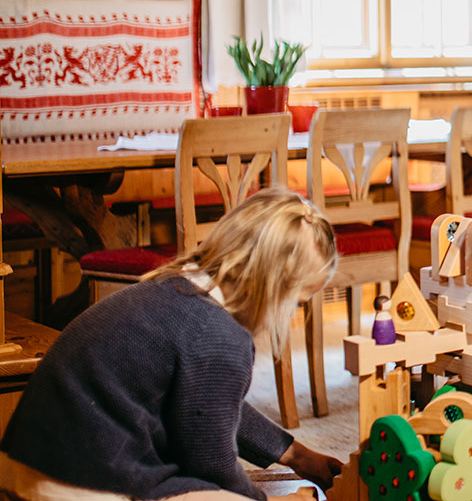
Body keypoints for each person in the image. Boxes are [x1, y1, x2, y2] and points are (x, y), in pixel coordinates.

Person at [0, 188, 344, 501]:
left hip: (27, 462)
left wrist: (297, 456)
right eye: (299, 299)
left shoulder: (179, 288)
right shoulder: (220, 337)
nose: (297, 310)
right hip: (80, 483)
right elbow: (212, 465)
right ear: (273, 285)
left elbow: (211, 408)